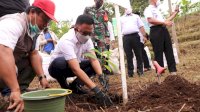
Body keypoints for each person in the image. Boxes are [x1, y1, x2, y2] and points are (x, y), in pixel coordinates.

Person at [0, 0, 57, 111]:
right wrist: (14, 89)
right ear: (32, 12)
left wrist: (42, 77)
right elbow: (3, 52)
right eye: (44, 20)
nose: (46, 24)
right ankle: (13, 93)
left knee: (37, 58)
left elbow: (34, 54)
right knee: (13, 67)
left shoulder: (33, 31)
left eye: (48, 22)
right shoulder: (13, 22)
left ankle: (17, 94)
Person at [48, 14, 113, 107]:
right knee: (60, 62)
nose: (87, 36)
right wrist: (96, 90)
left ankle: (75, 86)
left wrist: (101, 75)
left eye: (90, 33)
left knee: (95, 62)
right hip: (57, 68)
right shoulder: (67, 40)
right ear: (76, 28)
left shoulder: (87, 40)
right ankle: (64, 86)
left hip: (75, 65)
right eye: (85, 33)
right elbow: (76, 69)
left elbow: (93, 60)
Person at [144, 0, 179, 75]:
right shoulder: (148, 9)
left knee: (169, 50)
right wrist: (164, 22)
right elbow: (150, 20)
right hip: (155, 31)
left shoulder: (157, 10)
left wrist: (175, 13)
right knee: (158, 52)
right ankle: (160, 73)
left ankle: (173, 71)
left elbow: (165, 21)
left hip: (163, 30)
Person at [120, 8, 148, 77]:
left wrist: (144, 36)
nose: (127, 9)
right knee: (128, 55)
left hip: (135, 36)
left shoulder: (136, 16)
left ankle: (140, 71)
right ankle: (130, 72)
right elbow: (119, 29)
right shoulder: (121, 18)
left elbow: (141, 26)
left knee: (138, 54)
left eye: (128, 8)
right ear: (124, 9)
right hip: (126, 38)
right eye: (126, 8)